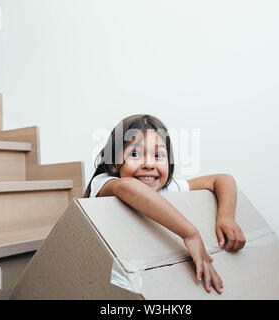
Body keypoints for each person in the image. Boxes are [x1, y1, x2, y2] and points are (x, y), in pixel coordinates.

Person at [84, 114, 246, 294]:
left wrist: (226, 217)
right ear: (113, 164)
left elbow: (222, 179)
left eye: (159, 155)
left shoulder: (167, 189)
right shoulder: (104, 183)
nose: (148, 164)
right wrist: (190, 234)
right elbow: (128, 187)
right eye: (135, 154)